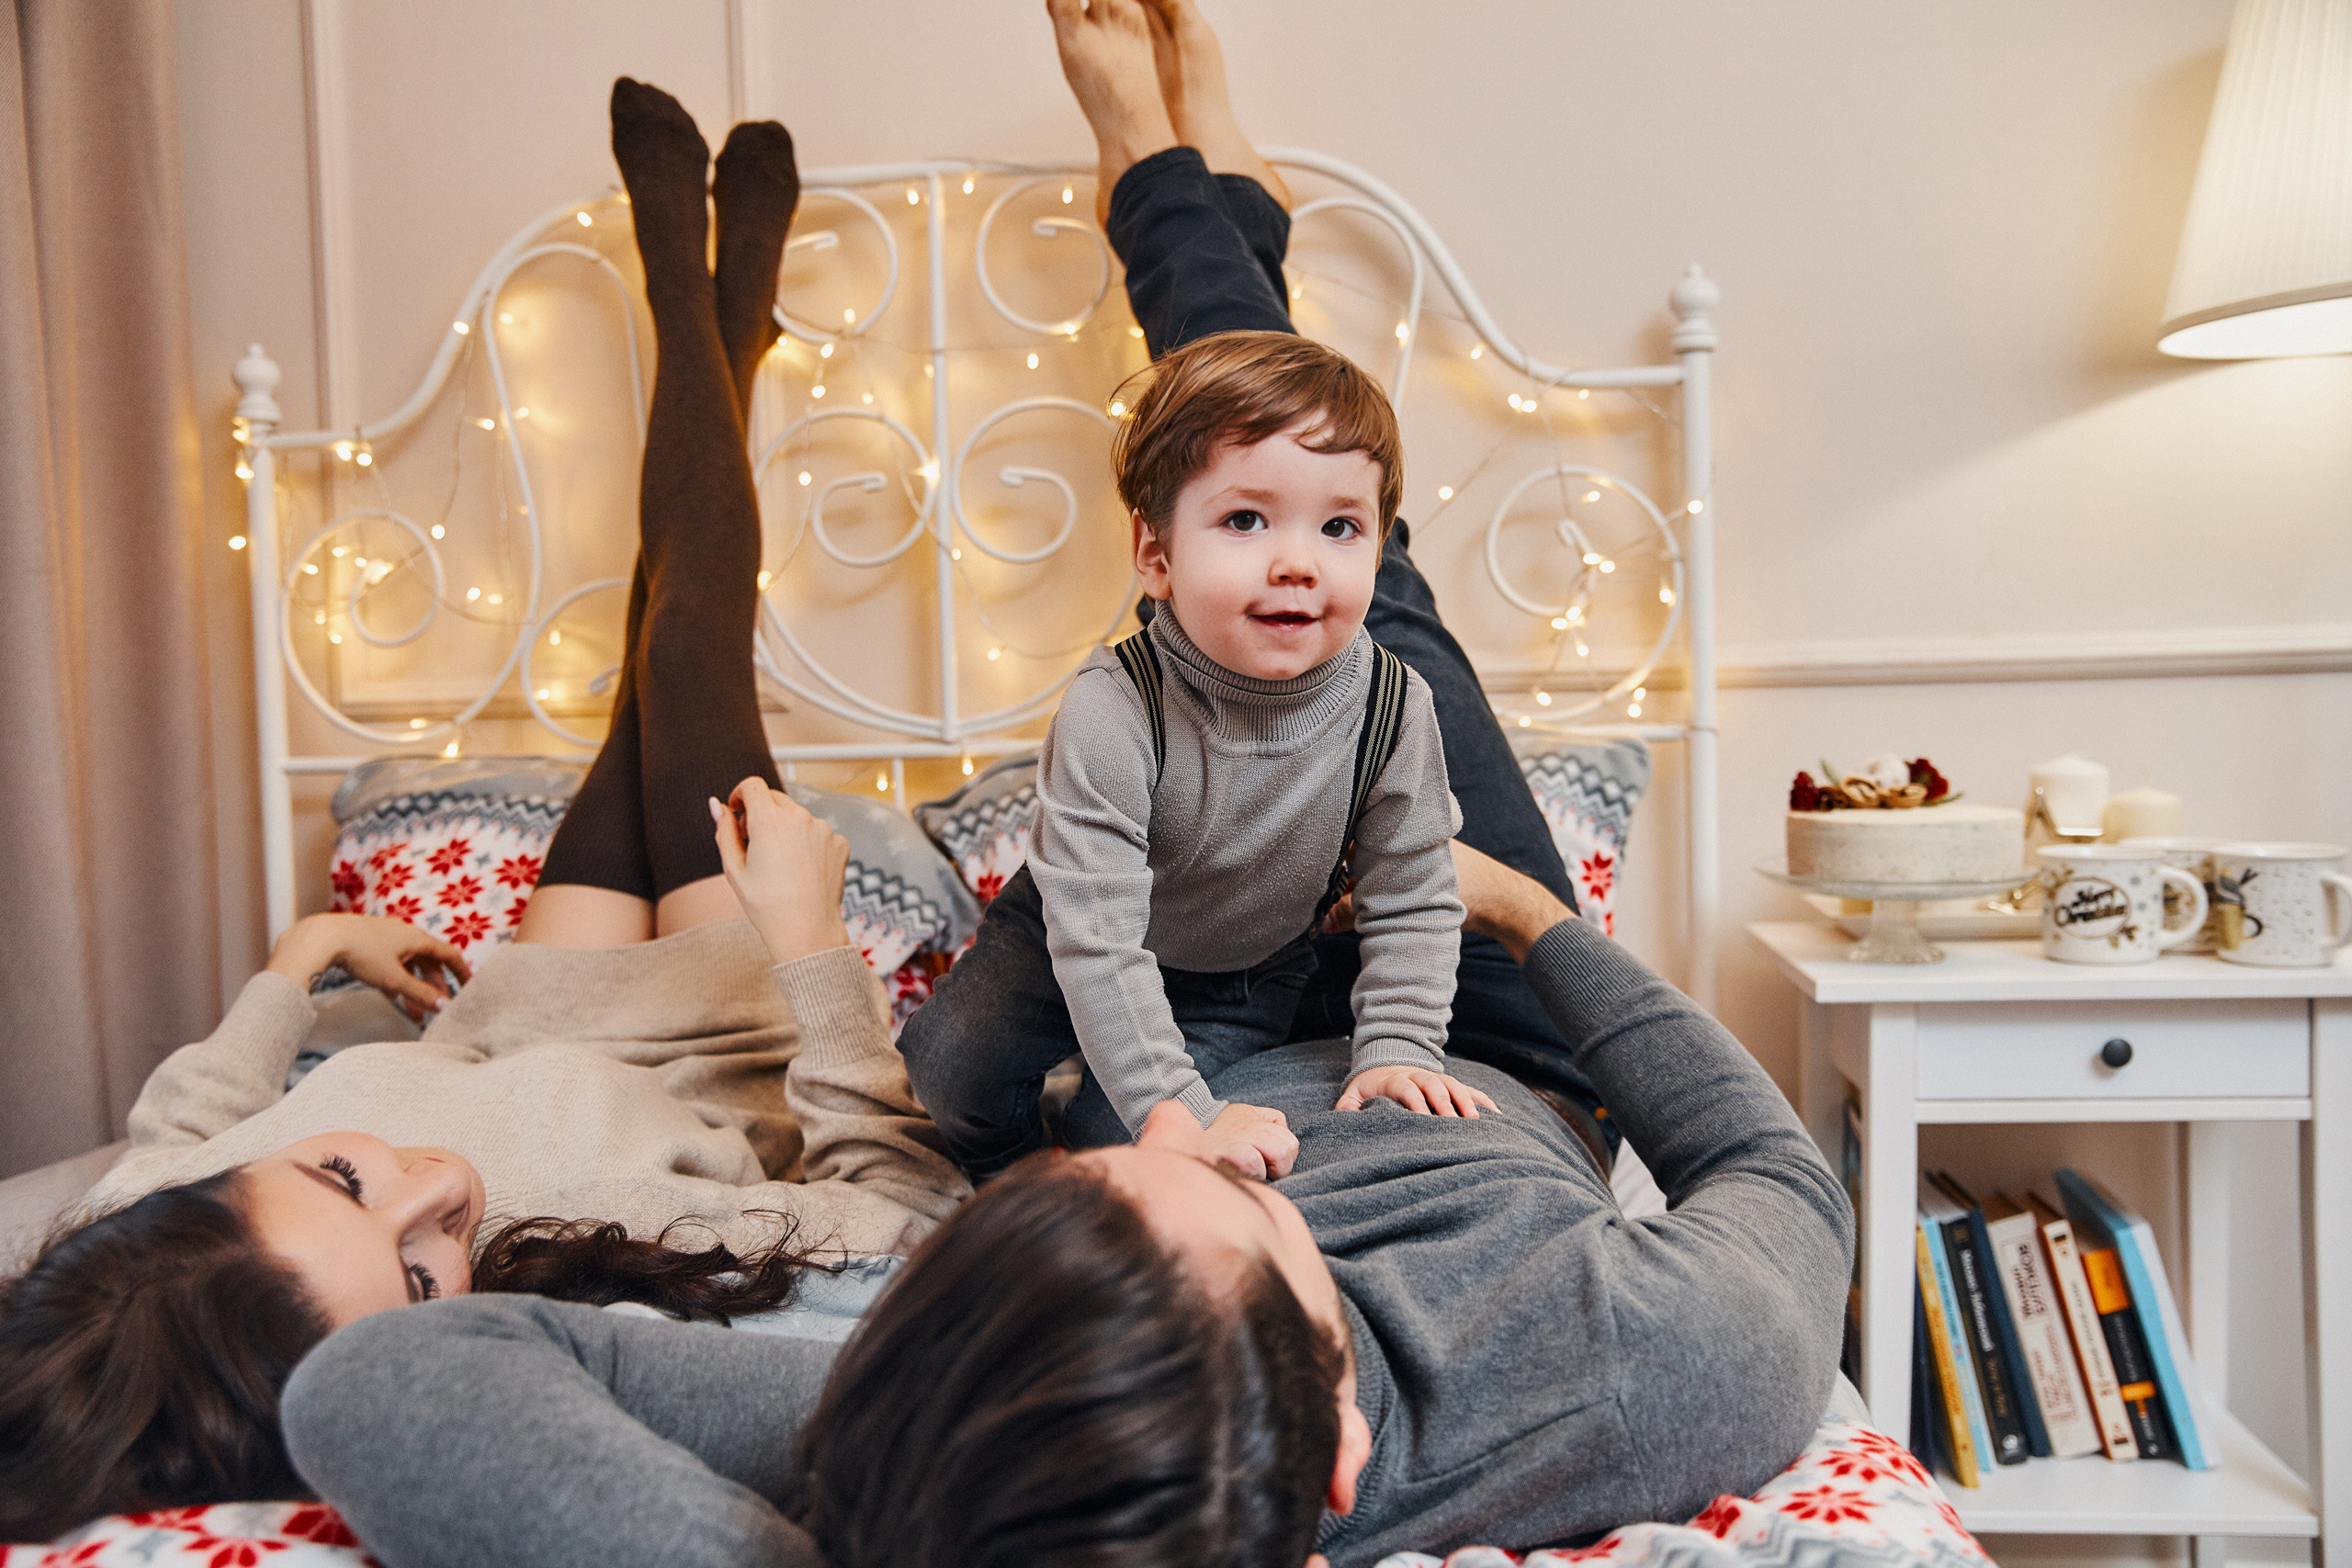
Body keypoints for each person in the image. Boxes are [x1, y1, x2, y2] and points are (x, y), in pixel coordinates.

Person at [278, 6, 1854, 1566]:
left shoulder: (988, 1413)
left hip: (1149, 969)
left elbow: (388, 1377)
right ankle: (1190, 183)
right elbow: (1775, 1171)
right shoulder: (1648, 1375)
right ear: (1339, 1451)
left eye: (1071, 1191)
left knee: (1266, 566)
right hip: (1481, 1022)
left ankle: (1185, 190)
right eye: (1219, 1212)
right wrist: (1532, 926)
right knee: (1372, 595)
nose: (1162, 1159)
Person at [0, 80, 967, 1543]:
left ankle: (703, 318)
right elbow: (903, 1217)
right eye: (423, 1272)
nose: (443, 1185)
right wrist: (813, 944)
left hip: (517, 1000)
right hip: (720, 1025)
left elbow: (173, 1119)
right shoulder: (601, 1311)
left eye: (343, 1171)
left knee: (660, 666)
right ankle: (714, 316)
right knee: (694, 643)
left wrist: (302, 949)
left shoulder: (165, 1241)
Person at [899, 321, 1489, 1181]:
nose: (1298, 562)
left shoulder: (1396, 708)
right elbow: (1096, 940)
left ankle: (1086, 1124)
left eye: (1340, 528)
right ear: (1155, 553)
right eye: (1246, 519)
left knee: (1127, 1138)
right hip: (1067, 936)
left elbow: (1414, 893)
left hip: (1241, 973)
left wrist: (1398, 1043)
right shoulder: (1116, 709)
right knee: (950, 1073)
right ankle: (1016, 1177)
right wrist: (1168, 1104)